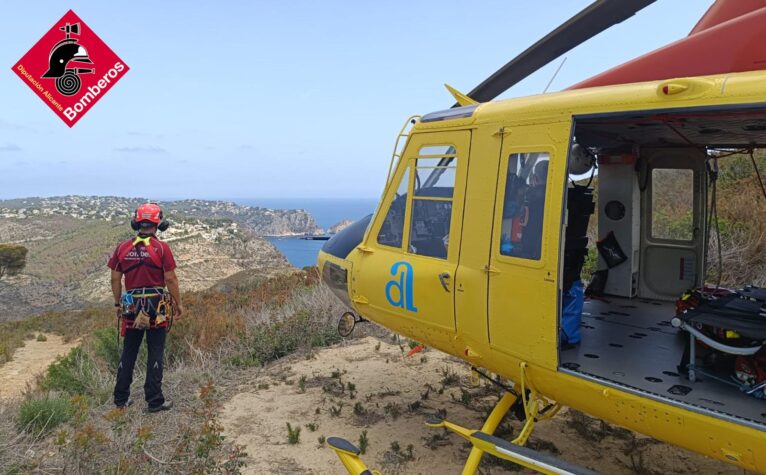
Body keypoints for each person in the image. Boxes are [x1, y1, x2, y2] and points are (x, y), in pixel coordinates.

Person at [107, 203, 183, 412]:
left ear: (136, 223)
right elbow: (171, 279)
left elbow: (115, 278)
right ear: (160, 224)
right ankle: (154, 401)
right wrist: (178, 303)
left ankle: (120, 400)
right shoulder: (162, 248)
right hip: (155, 306)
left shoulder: (123, 247)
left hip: (131, 305)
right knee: (155, 350)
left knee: (129, 351)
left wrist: (116, 303)